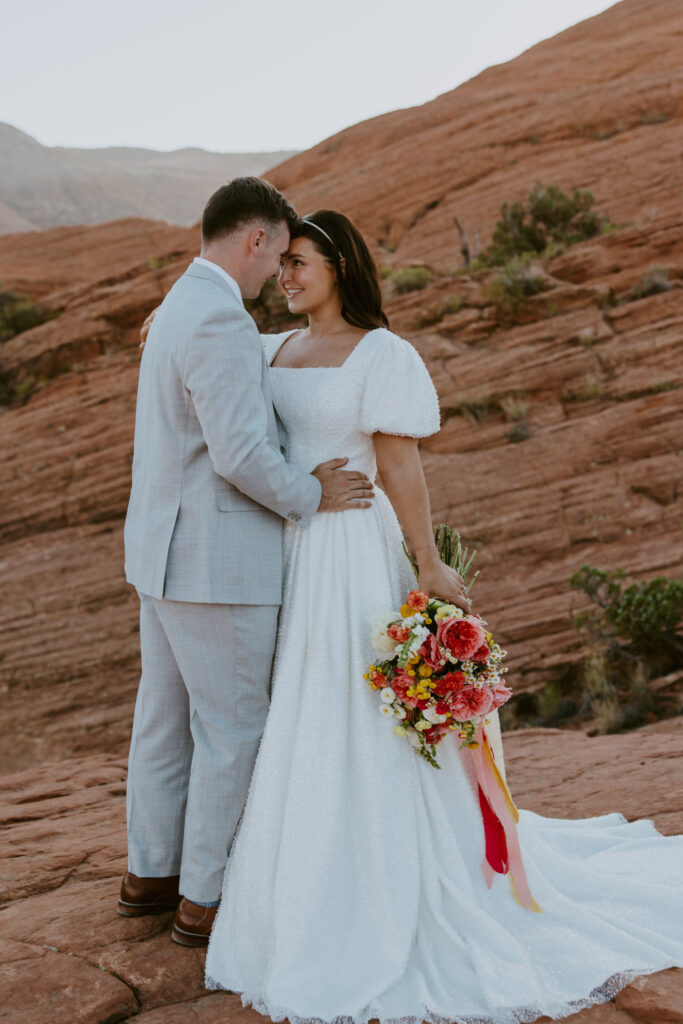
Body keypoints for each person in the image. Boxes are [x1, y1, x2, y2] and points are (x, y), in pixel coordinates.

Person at [199, 210, 683, 1024]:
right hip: (288, 550)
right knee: (301, 713)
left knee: (357, 708)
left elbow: (398, 466)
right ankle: (304, 882)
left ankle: (394, 883)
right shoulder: (267, 349)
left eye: (301, 263)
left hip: (353, 553)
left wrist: (427, 564)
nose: (286, 277)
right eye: (280, 265)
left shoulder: (382, 355)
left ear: (342, 267)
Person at [119, 179, 382, 948]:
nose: (277, 276)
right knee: (233, 727)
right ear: (256, 240)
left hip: (160, 557)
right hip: (218, 563)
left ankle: (150, 876)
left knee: (163, 724)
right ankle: (205, 897)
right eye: (277, 256)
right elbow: (238, 453)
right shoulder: (220, 320)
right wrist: (310, 494)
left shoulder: (177, 307)